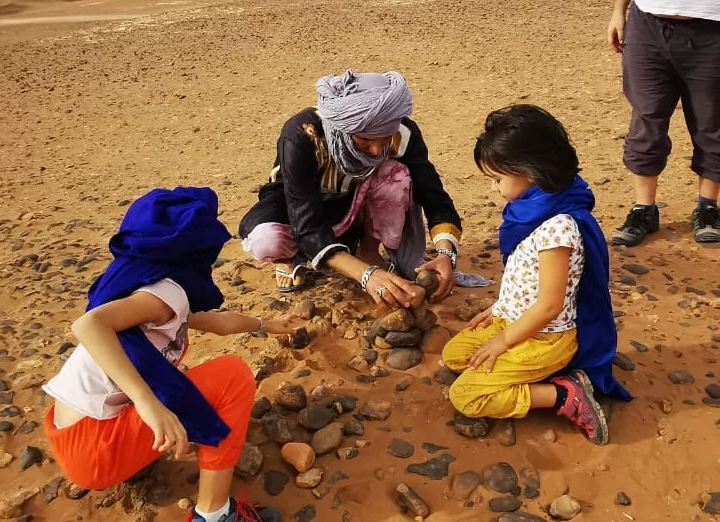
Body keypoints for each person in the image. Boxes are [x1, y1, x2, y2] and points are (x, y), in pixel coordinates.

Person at [42, 187, 299, 522]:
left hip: (73, 438)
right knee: (232, 376)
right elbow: (88, 326)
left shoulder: (137, 280)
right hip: (95, 446)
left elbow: (215, 322)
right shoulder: (165, 292)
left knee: (179, 381)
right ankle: (214, 513)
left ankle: (139, 456)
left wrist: (267, 324)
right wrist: (149, 405)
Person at [442, 105, 632, 446]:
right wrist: (500, 310)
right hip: (516, 322)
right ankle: (532, 373)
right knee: (455, 354)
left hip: (546, 337)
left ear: (529, 171)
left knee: (466, 396)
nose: (495, 188)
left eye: (498, 179)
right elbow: (522, 279)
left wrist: (502, 341)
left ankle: (564, 394)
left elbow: (548, 305)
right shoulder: (530, 213)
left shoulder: (558, 227)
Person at [238, 70, 463, 308]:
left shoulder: (403, 133)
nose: (376, 151)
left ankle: (368, 252)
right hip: (295, 205)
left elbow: (434, 196)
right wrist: (366, 276)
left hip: (353, 201)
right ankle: (287, 261)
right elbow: (305, 222)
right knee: (266, 240)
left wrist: (445, 255)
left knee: (397, 175)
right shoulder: (303, 135)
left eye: (384, 139)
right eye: (364, 140)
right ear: (343, 129)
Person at [607, 0, 720, 246]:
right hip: (647, 24)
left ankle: (708, 207)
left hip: (713, 26)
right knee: (646, 119)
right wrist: (618, 11)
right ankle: (644, 209)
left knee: (712, 121)